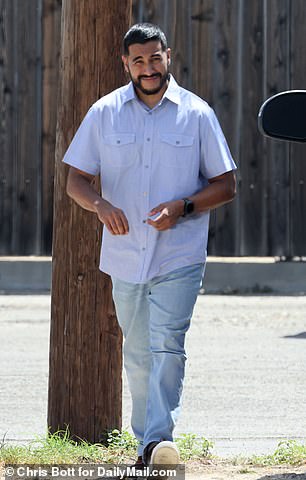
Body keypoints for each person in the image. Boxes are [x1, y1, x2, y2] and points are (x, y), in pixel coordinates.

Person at [63, 23, 237, 469]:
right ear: (126, 64)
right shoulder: (104, 113)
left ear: (168, 57)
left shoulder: (196, 114)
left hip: (179, 252)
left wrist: (183, 206)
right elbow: (75, 180)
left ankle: (160, 440)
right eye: (138, 60)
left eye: (154, 58)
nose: (148, 68)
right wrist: (100, 206)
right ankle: (149, 447)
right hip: (124, 256)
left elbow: (226, 185)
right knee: (138, 352)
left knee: (167, 345)